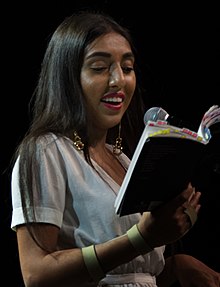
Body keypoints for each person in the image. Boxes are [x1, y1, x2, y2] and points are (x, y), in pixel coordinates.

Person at [10, 10, 220, 287]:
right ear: (68, 78)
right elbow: (36, 275)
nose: (118, 80)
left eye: (128, 67)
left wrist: (175, 266)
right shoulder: (46, 151)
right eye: (99, 67)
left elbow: (131, 273)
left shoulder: (122, 158)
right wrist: (142, 238)